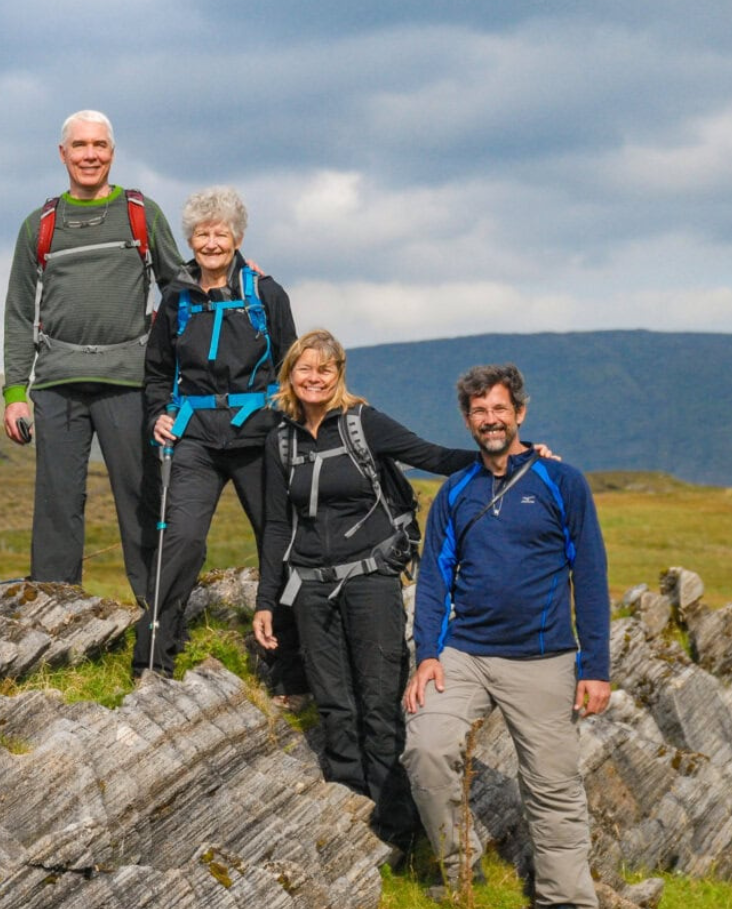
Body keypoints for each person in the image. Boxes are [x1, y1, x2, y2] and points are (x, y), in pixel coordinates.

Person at [251, 330, 482, 848]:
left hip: (371, 581)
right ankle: (351, 822)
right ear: (290, 374)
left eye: (325, 370)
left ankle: (396, 832)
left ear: (340, 375)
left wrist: (510, 454)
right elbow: (274, 525)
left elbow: (433, 456)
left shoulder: (363, 424)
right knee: (335, 707)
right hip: (309, 589)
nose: (314, 378)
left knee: (379, 706)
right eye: (305, 369)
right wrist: (267, 601)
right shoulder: (279, 440)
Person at [403, 365, 609, 908]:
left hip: (543, 660)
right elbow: (432, 580)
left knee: (553, 788)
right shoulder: (455, 491)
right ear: (467, 419)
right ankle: (459, 878)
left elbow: (588, 575)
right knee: (425, 750)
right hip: (463, 654)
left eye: (499, 409)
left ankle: (564, 898)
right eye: (478, 411)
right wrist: (427, 654)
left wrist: (596, 668)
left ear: (519, 412)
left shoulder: (561, 482)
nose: (489, 420)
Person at [1, 110, 184, 601]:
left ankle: (156, 611)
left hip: (129, 378)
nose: (89, 155)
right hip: (57, 380)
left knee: (139, 495)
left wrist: (226, 270)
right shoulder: (39, 224)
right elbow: (19, 311)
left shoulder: (141, 213)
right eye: (79, 146)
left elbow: (179, 290)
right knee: (58, 501)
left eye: (99, 145)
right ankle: (55, 610)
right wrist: (16, 392)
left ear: (112, 151)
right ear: (62, 153)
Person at [135, 186, 297, 679]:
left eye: (220, 233)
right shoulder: (175, 298)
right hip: (196, 439)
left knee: (278, 538)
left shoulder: (267, 293)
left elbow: (291, 365)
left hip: (258, 436)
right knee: (180, 539)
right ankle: (152, 660)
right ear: (191, 239)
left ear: (237, 237)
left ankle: (291, 665)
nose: (210, 242)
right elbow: (157, 373)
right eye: (202, 233)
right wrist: (157, 414)